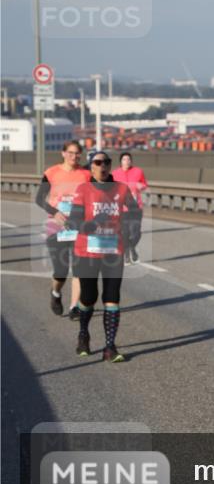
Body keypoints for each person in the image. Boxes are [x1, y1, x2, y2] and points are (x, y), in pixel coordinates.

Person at [67, 150, 142, 362]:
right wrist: (91, 224)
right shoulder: (83, 189)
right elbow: (73, 221)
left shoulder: (121, 188)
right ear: (91, 166)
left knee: (112, 297)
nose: (103, 166)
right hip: (87, 251)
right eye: (98, 162)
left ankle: (110, 347)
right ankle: (83, 334)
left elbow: (135, 211)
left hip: (113, 251)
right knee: (88, 297)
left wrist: (134, 229)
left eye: (106, 162)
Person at [34, 140, 90, 319]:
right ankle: (55, 293)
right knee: (61, 271)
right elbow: (39, 199)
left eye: (77, 153)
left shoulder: (86, 174)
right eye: (71, 153)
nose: (74, 156)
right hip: (56, 226)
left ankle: (74, 307)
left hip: (79, 227)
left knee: (80, 269)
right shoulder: (51, 173)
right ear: (63, 153)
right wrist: (55, 212)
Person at [111, 151, 148, 264]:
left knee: (136, 233)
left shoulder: (138, 171)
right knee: (125, 233)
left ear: (131, 161)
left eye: (128, 159)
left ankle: (131, 247)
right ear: (120, 162)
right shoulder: (115, 174)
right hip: (122, 209)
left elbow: (144, 184)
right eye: (124, 159)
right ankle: (126, 254)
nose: (126, 161)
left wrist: (140, 186)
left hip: (136, 207)